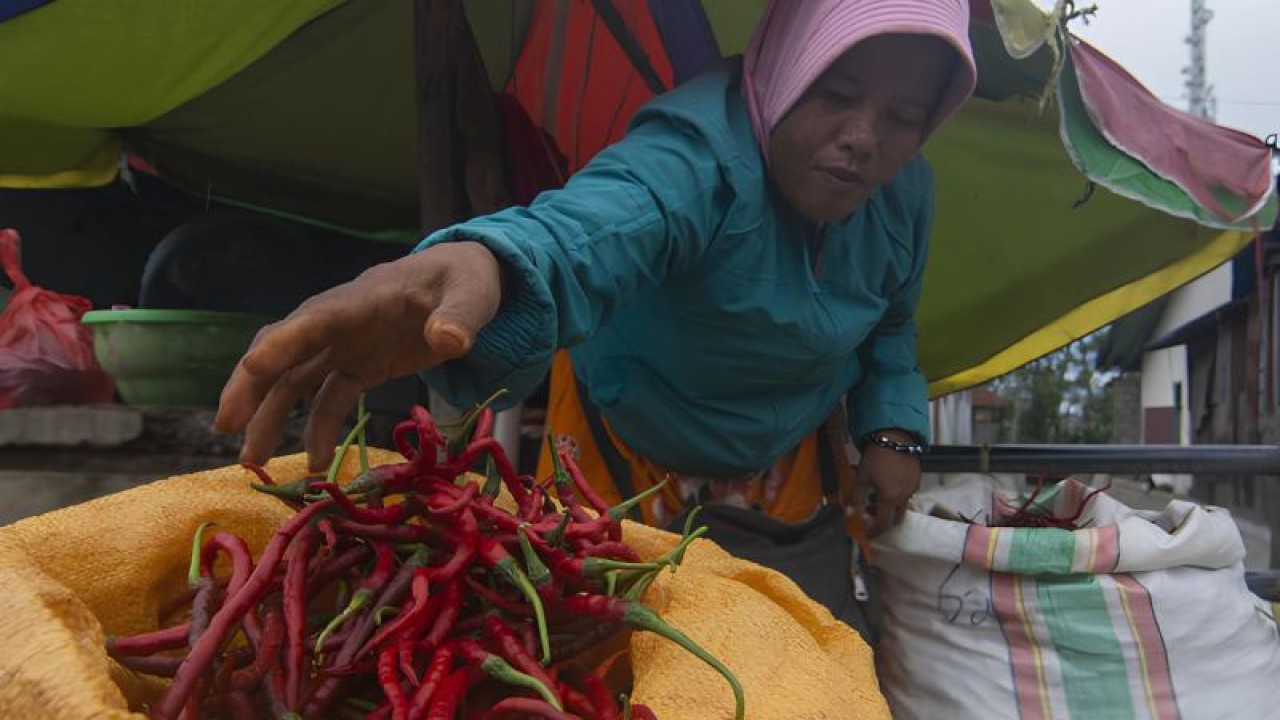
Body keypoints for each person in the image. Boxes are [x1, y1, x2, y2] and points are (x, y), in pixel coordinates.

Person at [215, 0, 977, 637]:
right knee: (595, 649)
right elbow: (590, 230)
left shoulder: (905, 197)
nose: (865, 139)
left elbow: (890, 325)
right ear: (786, 68)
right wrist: (490, 262)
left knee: (810, 646)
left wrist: (891, 430)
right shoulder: (695, 159)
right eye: (836, 93)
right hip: (625, 455)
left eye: (904, 118)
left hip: (791, 467)